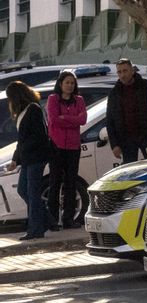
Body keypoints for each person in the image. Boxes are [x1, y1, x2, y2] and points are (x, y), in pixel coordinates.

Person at [6, 81, 53, 240]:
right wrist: (15, 159)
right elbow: (21, 140)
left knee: (32, 193)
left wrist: (24, 150)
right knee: (23, 190)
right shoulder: (22, 112)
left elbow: (39, 136)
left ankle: (36, 230)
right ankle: (47, 220)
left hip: (36, 157)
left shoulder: (33, 109)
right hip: (27, 158)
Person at [46, 71, 87, 230]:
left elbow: (82, 120)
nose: (70, 85)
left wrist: (65, 118)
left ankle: (68, 219)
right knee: (55, 182)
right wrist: (71, 120)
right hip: (57, 146)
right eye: (67, 82)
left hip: (73, 147)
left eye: (72, 83)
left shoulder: (79, 100)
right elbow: (54, 119)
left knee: (71, 182)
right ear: (61, 84)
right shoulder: (53, 99)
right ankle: (53, 220)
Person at [107, 58, 147, 164]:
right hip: (127, 140)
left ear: (132, 71)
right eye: (119, 72)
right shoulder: (114, 93)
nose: (122, 75)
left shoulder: (146, 87)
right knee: (131, 171)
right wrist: (114, 145)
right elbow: (110, 121)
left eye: (125, 71)